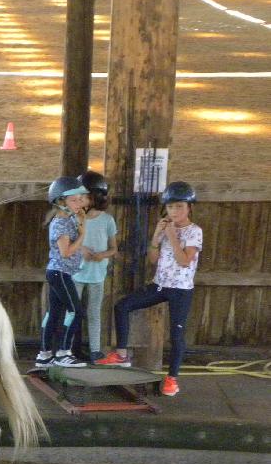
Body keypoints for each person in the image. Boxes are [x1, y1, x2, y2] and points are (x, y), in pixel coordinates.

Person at [97, 181, 202, 397]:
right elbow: (153, 259)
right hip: (159, 284)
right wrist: (156, 237)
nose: (175, 211)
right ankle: (122, 355)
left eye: (180, 206)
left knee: (176, 335)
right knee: (122, 306)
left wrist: (173, 237)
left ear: (190, 207)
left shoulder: (194, 231)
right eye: (171, 207)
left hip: (180, 289)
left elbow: (184, 261)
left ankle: (172, 379)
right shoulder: (165, 227)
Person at [34, 176, 90, 369]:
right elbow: (66, 252)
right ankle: (63, 353)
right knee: (76, 311)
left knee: (54, 313)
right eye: (73, 200)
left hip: (59, 273)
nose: (79, 203)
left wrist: (81, 222)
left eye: (80, 199)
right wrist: (83, 234)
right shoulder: (60, 223)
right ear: (61, 202)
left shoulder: (69, 219)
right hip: (60, 273)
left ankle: (44, 355)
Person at [72, 170, 118, 362]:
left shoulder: (107, 220)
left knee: (94, 312)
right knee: (73, 312)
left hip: (97, 274)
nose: (80, 199)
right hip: (76, 273)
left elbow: (113, 248)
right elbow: (68, 243)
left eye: (84, 196)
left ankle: (95, 350)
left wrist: (102, 255)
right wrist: (80, 249)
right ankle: (69, 349)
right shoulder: (75, 217)